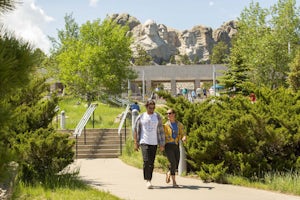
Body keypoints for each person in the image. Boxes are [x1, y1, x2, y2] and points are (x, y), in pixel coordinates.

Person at [133, 99, 165, 189]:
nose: (152, 109)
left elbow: (161, 131)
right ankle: (147, 180)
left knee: (151, 162)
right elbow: (135, 130)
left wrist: (162, 144)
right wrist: (135, 142)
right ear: (146, 107)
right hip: (144, 141)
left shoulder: (157, 117)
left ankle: (149, 179)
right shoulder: (141, 117)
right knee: (146, 161)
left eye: (153, 108)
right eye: (150, 107)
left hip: (154, 142)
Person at [163, 108, 186, 188]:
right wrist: (161, 145)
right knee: (173, 162)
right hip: (168, 145)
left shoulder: (179, 124)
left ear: (174, 114)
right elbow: (162, 136)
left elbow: (183, 134)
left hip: (176, 145)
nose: (168, 115)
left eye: (170, 113)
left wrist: (184, 138)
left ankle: (169, 173)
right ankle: (174, 182)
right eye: (167, 113)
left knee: (176, 163)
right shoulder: (165, 125)